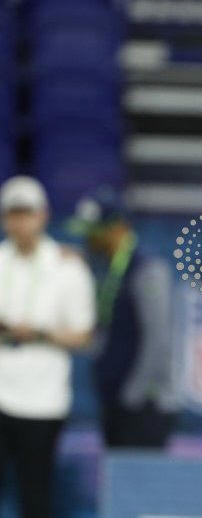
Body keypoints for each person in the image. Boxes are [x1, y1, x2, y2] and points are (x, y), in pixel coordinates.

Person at [0, 176, 95, 518]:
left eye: (26, 213)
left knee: (36, 494)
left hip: (43, 399)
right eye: (13, 214)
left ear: (43, 215)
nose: (20, 222)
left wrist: (38, 334)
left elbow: (84, 335)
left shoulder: (66, 266)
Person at [69, 188, 177, 448]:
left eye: (95, 232)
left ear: (118, 229)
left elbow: (158, 339)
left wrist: (133, 394)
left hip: (144, 405)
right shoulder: (107, 266)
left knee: (140, 473)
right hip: (115, 399)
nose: (88, 239)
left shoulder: (147, 270)